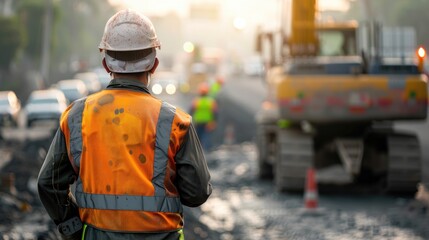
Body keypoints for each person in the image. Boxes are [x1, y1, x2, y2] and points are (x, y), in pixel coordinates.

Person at [37, 9, 212, 240]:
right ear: (154, 64)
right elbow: (196, 194)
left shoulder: (77, 116)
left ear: (106, 65)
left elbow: (48, 183)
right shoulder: (175, 121)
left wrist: (74, 229)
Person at [190, 82, 218, 151]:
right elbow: (215, 113)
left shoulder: (197, 101)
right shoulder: (211, 101)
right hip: (206, 122)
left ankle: (201, 152)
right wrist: (213, 122)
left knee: (199, 138)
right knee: (206, 138)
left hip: (200, 122)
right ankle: (206, 152)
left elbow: (191, 111)